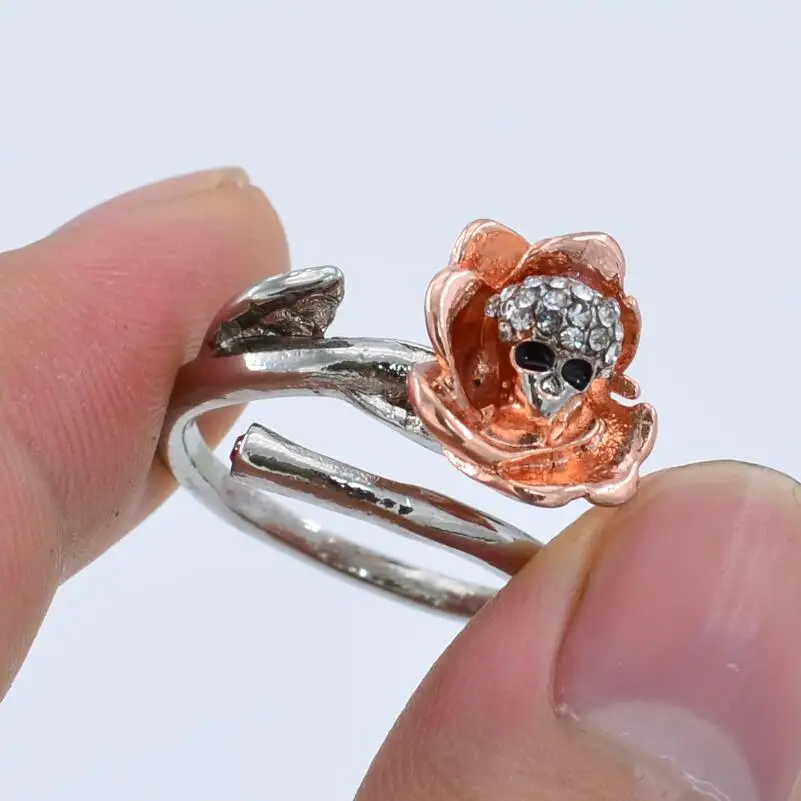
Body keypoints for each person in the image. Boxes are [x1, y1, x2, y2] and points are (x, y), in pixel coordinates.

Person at [1, 167, 794, 801]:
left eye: (578, 375)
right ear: (492, 342)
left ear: (605, 377)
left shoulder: (601, 439)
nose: (550, 389)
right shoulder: (456, 375)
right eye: (532, 359)